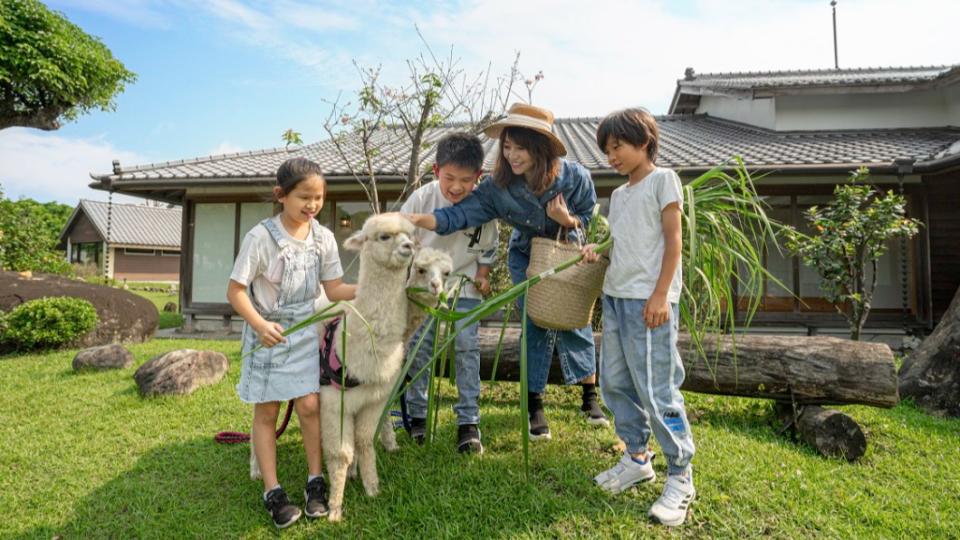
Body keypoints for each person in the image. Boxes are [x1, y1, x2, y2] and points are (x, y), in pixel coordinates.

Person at [404, 103, 609, 441]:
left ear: (541, 149)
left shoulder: (575, 178)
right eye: (508, 146)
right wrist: (417, 220)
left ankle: (589, 398)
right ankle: (534, 405)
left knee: (576, 318)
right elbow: (459, 216)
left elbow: (588, 218)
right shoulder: (497, 187)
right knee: (534, 322)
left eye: (522, 147)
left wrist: (567, 221)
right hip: (526, 255)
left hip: (567, 249)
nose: (512, 155)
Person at [581, 108, 696, 526]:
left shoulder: (663, 180)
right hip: (615, 297)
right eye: (607, 150)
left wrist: (661, 294)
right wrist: (600, 250)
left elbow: (673, 241)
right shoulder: (620, 195)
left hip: (650, 302)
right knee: (614, 382)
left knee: (657, 389)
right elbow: (624, 244)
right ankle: (637, 457)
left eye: (618, 147)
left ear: (644, 142)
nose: (611, 156)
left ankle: (681, 474)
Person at [227, 157, 356, 529]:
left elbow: (334, 289)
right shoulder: (261, 237)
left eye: (318, 198)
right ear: (281, 195)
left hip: (303, 331)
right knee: (266, 412)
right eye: (304, 197)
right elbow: (235, 290)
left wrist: (371, 287)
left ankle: (315, 481)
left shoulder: (324, 237)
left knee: (311, 404)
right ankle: (273, 492)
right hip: (268, 334)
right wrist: (259, 323)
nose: (312, 205)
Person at [401, 132, 498, 454]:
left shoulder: (482, 204)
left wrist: (482, 275)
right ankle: (415, 415)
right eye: (449, 178)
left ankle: (468, 422)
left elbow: (488, 247)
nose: (457, 187)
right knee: (419, 347)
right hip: (424, 286)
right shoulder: (421, 199)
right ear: (435, 171)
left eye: (466, 180)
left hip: (464, 284)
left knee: (467, 348)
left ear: (479, 178)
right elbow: (403, 242)